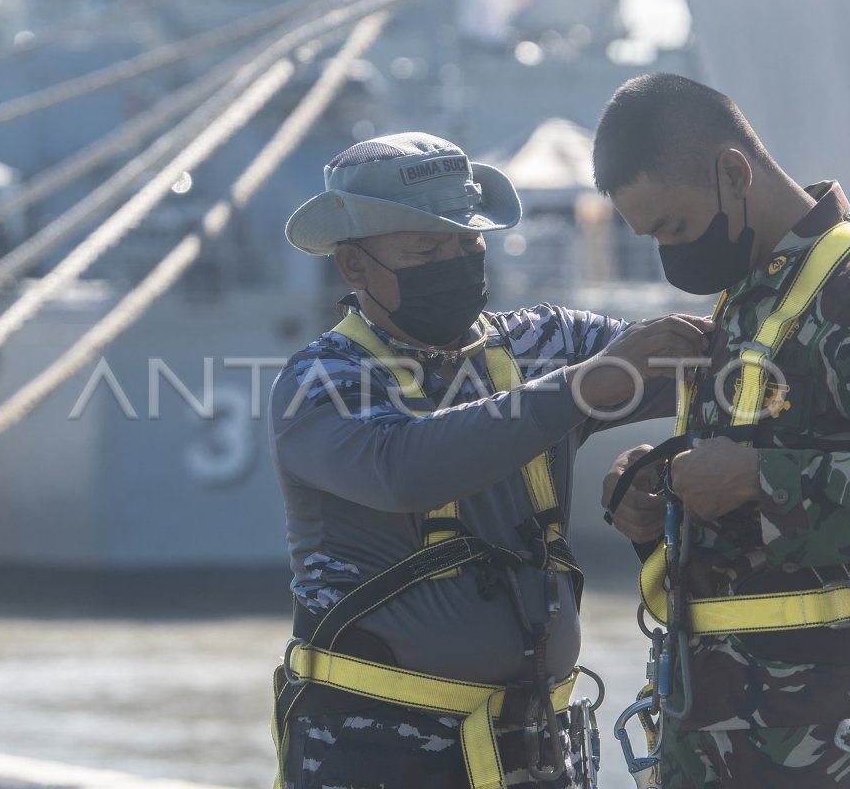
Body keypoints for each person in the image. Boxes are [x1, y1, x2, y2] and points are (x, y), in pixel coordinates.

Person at [593, 72, 850, 789]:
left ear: (732, 172)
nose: (669, 254)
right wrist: (654, 488)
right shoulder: (749, 293)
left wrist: (761, 478)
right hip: (709, 733)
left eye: (674, 227)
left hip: (817, 747)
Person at [268, 131, 713, 789]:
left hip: (536, 748)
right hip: (372, 750)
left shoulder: (545, 341)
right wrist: (585, 385)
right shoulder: (320, 380)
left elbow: (715, 374)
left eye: (468, 243)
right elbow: (403, 469)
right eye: (427, 249)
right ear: (354, 268)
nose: (455, 261)